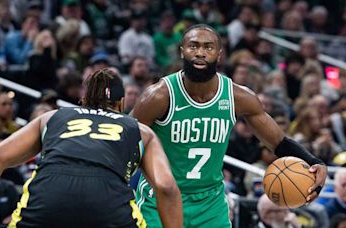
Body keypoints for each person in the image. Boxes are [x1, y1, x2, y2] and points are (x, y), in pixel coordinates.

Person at [132, 24, 327, 227]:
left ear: (219, 54)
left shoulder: (238, 97)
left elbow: (278, 142)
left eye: (208, 47)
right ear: (182, 51)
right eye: (193, 46)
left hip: (210, 203)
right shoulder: (159, 96)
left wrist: (314, 162)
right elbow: (123, 138)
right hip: (161, 197)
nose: (200, 52)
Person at [0, 69, 182, 228]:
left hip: (46, 202)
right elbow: (167, 188)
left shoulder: (53, 116)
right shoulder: (139, 129)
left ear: (83, 100)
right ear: (122, 104)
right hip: (108, 207)